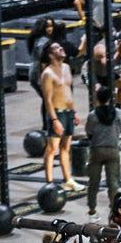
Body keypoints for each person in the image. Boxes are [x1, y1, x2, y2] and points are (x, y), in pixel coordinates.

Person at [38, 42, 82, 189]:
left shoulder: (67, 68)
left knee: (66, 147)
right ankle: (49, 183)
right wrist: (55, 120)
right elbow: (48, 100)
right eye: (57, 48)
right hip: (57, 113)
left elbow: (68, 92)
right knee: (52, 148)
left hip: (68, 112)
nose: (62, 48)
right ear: (51, 55)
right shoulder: (47, 74)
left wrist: (74, 111)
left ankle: (67, 179)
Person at [84, 84, 121, 216]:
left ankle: (92, 207)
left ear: (97, 98)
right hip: (113, 149)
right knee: (113, 182)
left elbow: (89, 132)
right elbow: (120, 128)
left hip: (96, 150)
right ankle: (114, 208)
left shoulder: (93, 115)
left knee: (93, 181)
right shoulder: (117, 113)